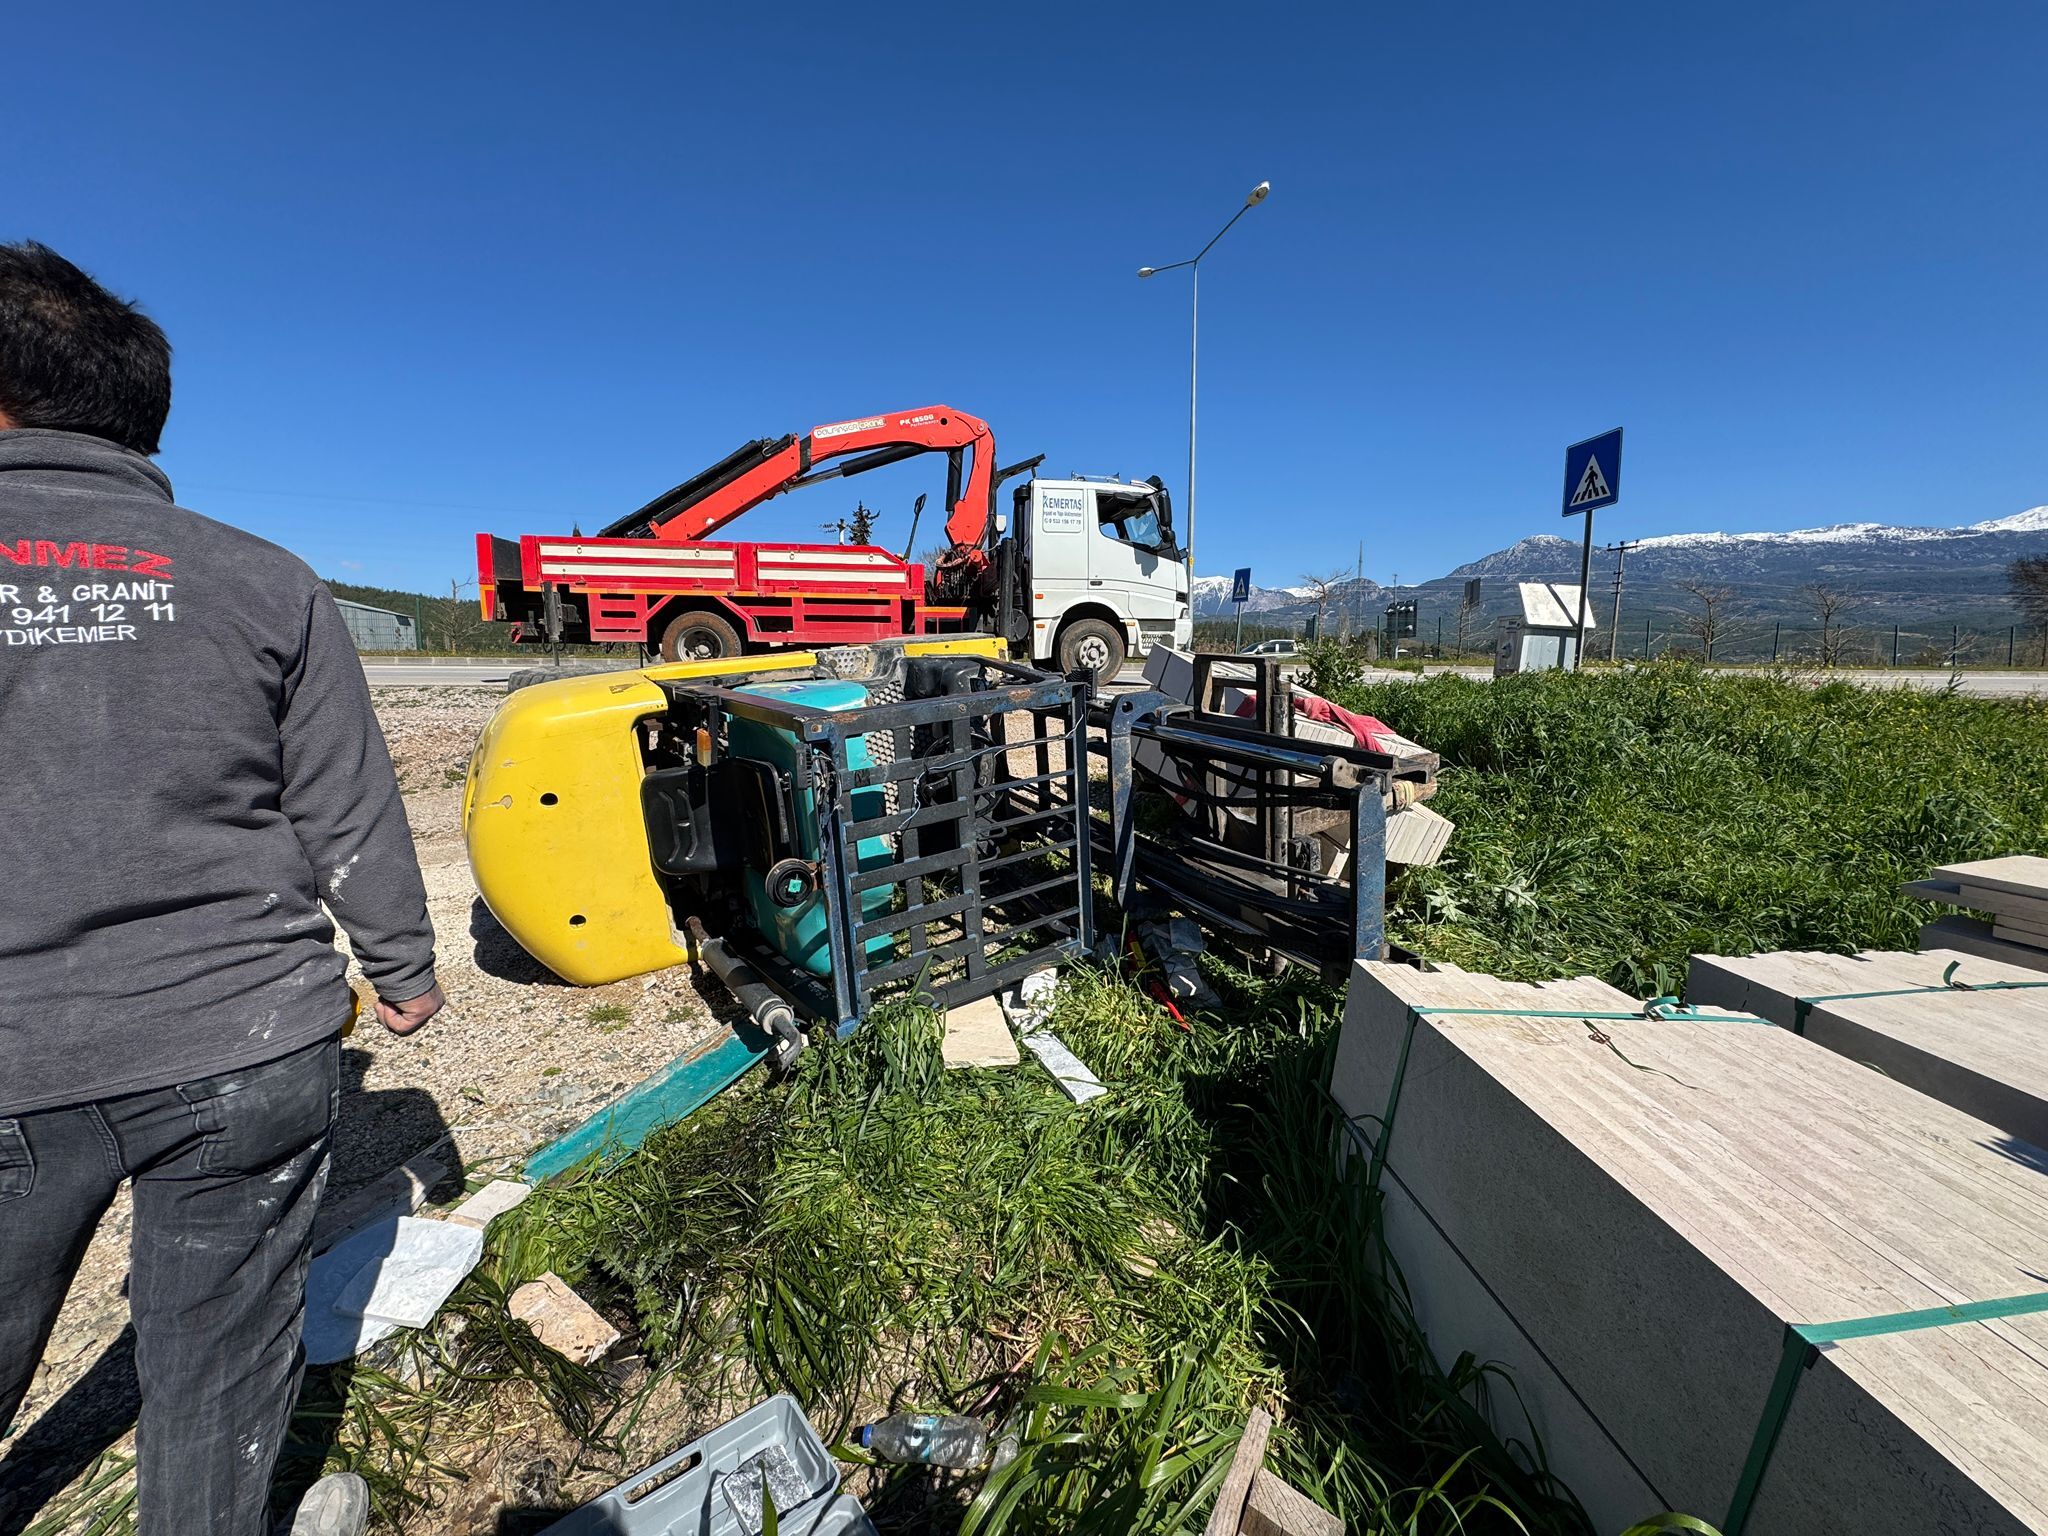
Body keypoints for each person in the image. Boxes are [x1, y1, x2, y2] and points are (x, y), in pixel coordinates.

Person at [0, 242, 443, 1536]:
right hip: (250, 1044)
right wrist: (402, 970)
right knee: (218, 1376)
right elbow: (347, 804)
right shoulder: (264, 580)